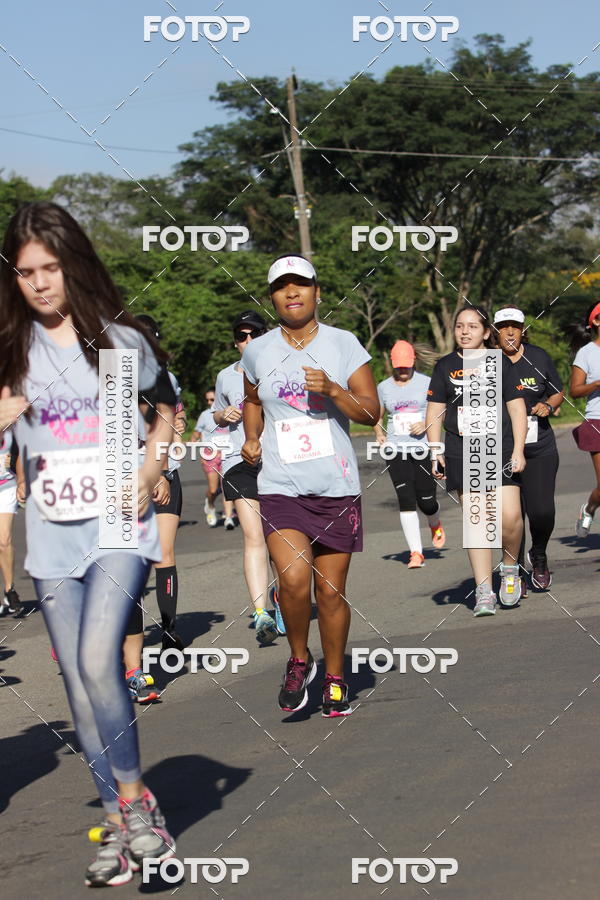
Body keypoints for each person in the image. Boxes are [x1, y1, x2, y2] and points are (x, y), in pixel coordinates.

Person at [0, 201, 176, 886]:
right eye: (25, 272)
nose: (40, 283)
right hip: (48, 534)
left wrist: (154, 464)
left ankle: (136, 805)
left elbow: (166, 408)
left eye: (49, 268)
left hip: (114, 527)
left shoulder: (116, 343)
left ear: (71, 264)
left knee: (101, 660)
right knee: (75, 679)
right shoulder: (10, 352)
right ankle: (113, 817)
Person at [241, 254, 379, 716]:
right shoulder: (257, 350)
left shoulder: (344, 344)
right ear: (273, 298)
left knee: (330, 592)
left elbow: (372, 412)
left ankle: (336, 676)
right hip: (281, 484)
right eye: (282, 287)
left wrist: (336, 392)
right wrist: (252, 436)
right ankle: (299, 659)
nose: (292, 293)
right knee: (295, 580)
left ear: (317, 292)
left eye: (301, 285)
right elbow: (251, 399)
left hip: (336, 486)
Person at [426, 304, 527, 616]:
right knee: (478, 521)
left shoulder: (502, 365)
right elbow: (435, 410)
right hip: (461, 450)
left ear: (486, 333)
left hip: (501, 448)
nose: (464, 331)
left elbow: (517, 408)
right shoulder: (445, 367)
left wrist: (519, 449)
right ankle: (484, 589)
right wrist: (435, 449)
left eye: (472, 326)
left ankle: (509, 569)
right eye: (459, 326)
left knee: (509, 517)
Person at [121, 314, 187, 704]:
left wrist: (158, 471)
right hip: (120, 484)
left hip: (161, 476)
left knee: (158, 556)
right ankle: (130, 666)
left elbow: (166, 423)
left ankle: (164, 633)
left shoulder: (164, 380)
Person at [213, 310, 281, 643]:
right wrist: (222, 414)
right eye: (242, 336)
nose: (248, 341)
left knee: (280, 537)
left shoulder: (281, 369)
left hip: (279, 460)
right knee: (253, 535)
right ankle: (261, 612)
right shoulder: (226, 376)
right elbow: (215, 416)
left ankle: (285, 597)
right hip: (237, 461)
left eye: (254, 334)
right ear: (236, 342)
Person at [494, 307, 564, 589]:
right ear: (494, 331)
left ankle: (539, 554)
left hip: (539, 447)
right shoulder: (488, 363)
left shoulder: (538, 357)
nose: (510, 332)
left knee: (542, 511)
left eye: (515, 326)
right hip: (502, 448)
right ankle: (515, 568)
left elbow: (558, 392)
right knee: (511, 516)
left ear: (523, 329)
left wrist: (548, 405)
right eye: (503, 326)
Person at [374, 340, 445, 568]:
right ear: (392, 364)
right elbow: (376, 413)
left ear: (413, 361)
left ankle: (434, 522)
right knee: (405, 499)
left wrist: (425, 423)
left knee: (426, 501)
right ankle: (416, 553)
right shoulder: (384, 387)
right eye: (398, 366)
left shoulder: (427, 382)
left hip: (423, 447)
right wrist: (379, 433)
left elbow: (440, 409)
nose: (402, 370)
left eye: (406, 365)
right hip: (396, 449)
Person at [569, 301, 600, 538]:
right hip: (597, 420)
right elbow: (575, 390)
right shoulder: (586, 353)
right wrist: (597, 383)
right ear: (595, 322)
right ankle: (589, 509)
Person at [191, 387, 235, 529]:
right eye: (208, 400)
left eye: (212, 399)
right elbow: (196, 433)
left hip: (228, 455)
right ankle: (210, 505)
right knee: (213, 489)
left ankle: (228, 518)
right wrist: (192, 444)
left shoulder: (230, 413)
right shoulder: (204, 415)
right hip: (210, 456)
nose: (210, 402)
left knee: (226, 487)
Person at [0, 427, 22, 615]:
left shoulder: (11, 429)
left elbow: (25, 451)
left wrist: (13, 460)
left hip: (6, 487)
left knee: (4, 540)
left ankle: (9, 589)